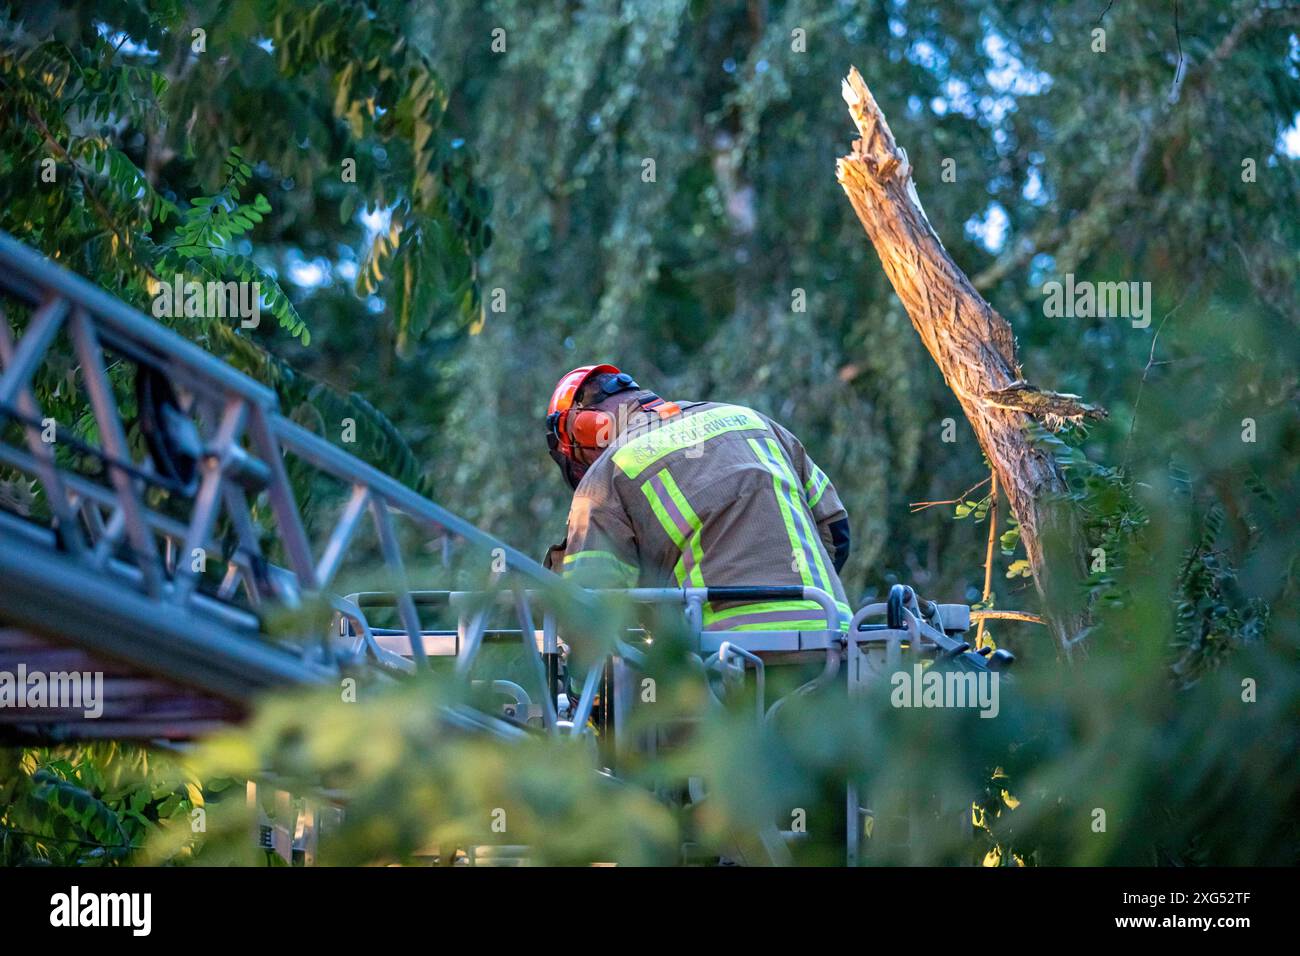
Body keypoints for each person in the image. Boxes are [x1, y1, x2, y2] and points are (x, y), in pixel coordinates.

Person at [544, 364, 852, 632]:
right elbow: (835, 530)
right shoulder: (753, 421)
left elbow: (590, 605)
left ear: (585, 428)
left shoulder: (608, 473)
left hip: (722, 663)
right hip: (832, 638)